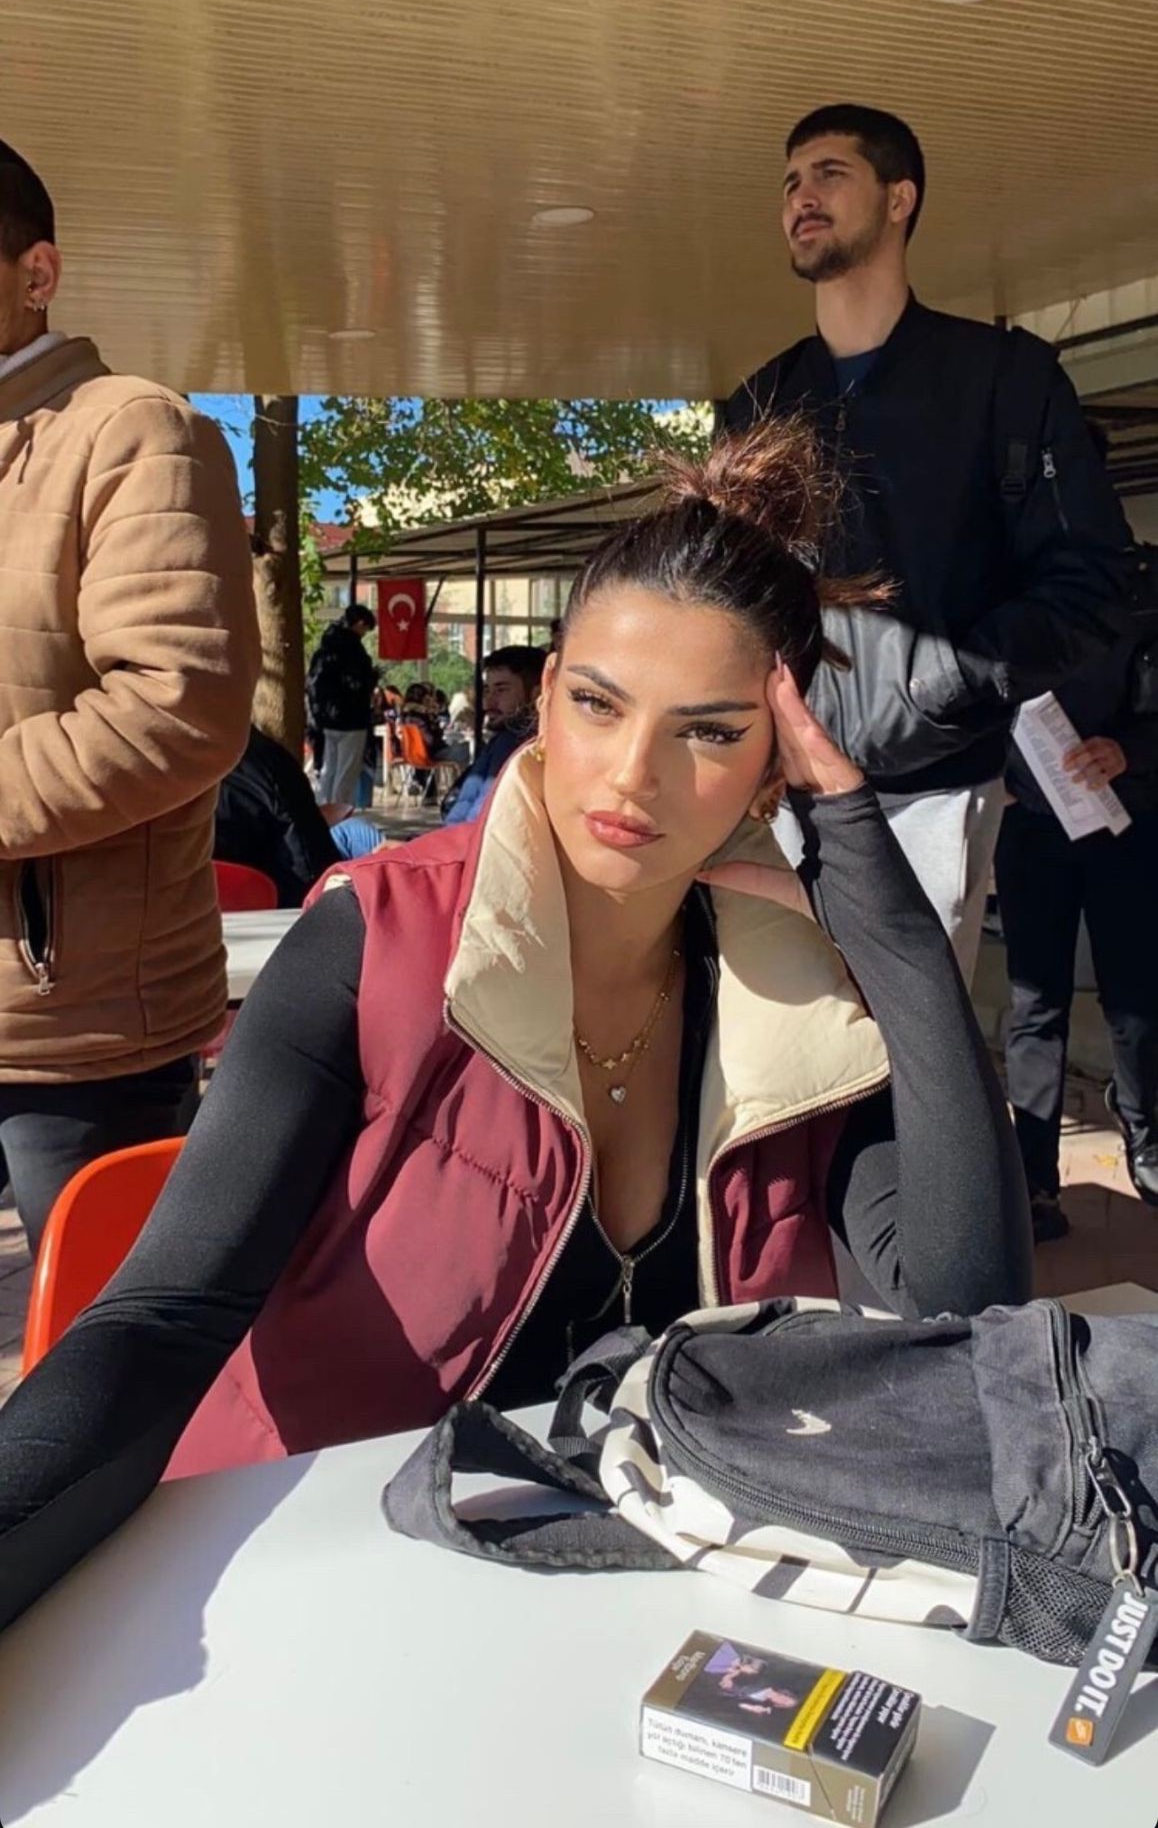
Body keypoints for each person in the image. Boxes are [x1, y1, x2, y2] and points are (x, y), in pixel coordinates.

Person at [0, 427, 1033, 1636]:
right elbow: (159, 1322)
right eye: (598, 703)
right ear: (544, 699)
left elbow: (969, 1314)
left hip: (644, 1596)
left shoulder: (791, 989)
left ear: (776, 767)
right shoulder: (376, 941)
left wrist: (899, 942)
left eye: (708, 730)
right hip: (340, 1591)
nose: (632, 773)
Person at [723, 103, 1130, 979]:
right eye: (791, 182)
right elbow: (724, 592)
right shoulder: (760, 403)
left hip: (934, 793)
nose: (801, 196)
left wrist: (943, 685)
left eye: (830, 173)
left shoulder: (1007, 379)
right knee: (775, 1041)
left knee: (909, 1041)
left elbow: (1092, 579)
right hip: (774, 793)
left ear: (899, 198)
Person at [0, 137, 259, 1255]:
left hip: (74, 1030)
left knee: (103, 1342)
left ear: (38, 272)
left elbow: (178, 706)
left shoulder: (135, 429)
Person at [996, 550, 1158, 1240]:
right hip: (1032, 826)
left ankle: (1145, 1138)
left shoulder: (1143, 588)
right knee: (1036, 1003)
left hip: (1127, 822)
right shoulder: (1000, 595)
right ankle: (1034, 1179)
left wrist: (1129, 751)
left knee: (1136, 997)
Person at [215, 725, 341, 907]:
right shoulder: (269, 762)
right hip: (275, 909)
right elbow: (311, 866)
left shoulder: (172, 766)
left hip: (187, 911)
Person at [442, 644, 548, 825]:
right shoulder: (504, 740)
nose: (488, 702)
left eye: (501, 690)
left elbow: (481, 822)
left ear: (537, 694)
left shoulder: (513, 744)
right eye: (487, 690)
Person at [306, 604, 378, 807]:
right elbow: (357, 684)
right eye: (366, 629)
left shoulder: (325, 649)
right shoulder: (354, 652)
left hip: (326, 719)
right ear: (360, 624)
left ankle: (323, 810)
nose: (364, 634)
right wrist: (372, 678)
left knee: (328, 769)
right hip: (352, 719)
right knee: (346, 772)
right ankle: (340, 814)